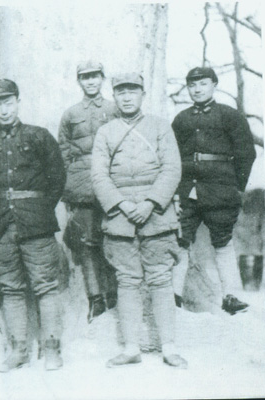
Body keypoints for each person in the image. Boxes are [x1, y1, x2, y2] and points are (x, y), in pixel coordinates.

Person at [91, 73, 187, 368]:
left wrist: (150, 202)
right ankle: (131, 347)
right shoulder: (105, 132)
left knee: (160, 279)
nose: (127, 97)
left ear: (142, 94)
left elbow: (172, 168)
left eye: (132, 91)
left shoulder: (159, 126)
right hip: (120, 216)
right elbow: (98, 175)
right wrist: (120, 204)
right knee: (128, 281)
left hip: (157, 214)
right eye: (121, 92)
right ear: (115, 97)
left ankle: (168, 347)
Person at [0, 79, 66, 371]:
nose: (4, 110)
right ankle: (18, 350)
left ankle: (52, 349)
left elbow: (56, 180)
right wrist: (5, 209)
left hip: (36, 225)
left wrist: (37, 209)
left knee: (46, 286)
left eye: (8, 102)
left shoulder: (39, 136)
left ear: (18, 102)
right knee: (11, 289)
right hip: (2, 226)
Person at [171, 67, 256, 314]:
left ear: (214, 85)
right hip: (188, 190)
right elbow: (171, 155)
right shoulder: (181, 119)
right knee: (180, 241)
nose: (197, 89)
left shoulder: (230, 116)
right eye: (192, 85)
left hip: (221, 190)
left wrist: (235, 188)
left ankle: (230, 296)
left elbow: (246, 154)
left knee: (223, 242)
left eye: (203, 84)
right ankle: (174, 297)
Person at [59, 60, 118, 323]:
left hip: (112, 183)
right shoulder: (71, 114)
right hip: (82, 187)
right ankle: (96, 299)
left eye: (95, 76)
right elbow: (62, 153)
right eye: (85, 77)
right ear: (79, 81)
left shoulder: (115, 109)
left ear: (102, 78)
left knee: (116, 239)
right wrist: (67, 190)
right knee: (87, 245)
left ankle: (116, 296)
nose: (91, 82)